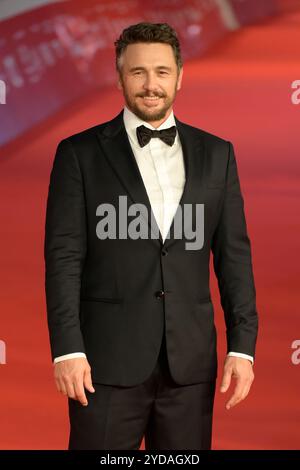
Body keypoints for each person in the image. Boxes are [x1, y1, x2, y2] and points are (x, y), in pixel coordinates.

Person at [44, 22, 258, 450]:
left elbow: (233, 256)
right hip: (104, 365)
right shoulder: (79, 154)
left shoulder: (218, 154)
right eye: (138, 72)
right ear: (120, 76)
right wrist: (67, 350)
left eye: (161, 71)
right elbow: (64, 258)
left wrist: (243, 346)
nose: (150, 84)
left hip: (190, 366)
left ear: (180, 76)